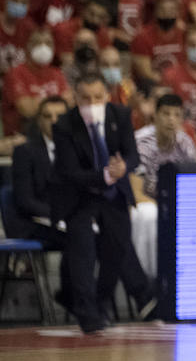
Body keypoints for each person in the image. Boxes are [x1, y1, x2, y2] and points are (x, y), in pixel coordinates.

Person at [53, 72, 158, 334]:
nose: (92, 103)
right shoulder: (65, 125)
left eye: (97, 97)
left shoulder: (119, 116)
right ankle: (87, 315)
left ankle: (101, 301)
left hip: (114, 194)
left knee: (117, 250)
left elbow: (133, 154)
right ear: (75, 98)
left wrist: (124, 167)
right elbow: (68, 171)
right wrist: (104, 175)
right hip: (80, 196)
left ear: (107, 96)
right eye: (85, 98)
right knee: (83, 253)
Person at [130, 93, 196, 274]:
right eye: (166, 114)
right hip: (145, 201)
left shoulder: (184, 142)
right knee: (149, 214)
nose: (171, 120)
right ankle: (148, 277)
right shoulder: (141, 142)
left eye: (177, 115)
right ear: (155, 115)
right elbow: (136, 192)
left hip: (174, 202)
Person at [11, 96, 69, 248]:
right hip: (34, 222)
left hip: (68, 220)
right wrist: (60, 215)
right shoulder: (24, 152)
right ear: (39, 121)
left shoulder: (76, 150)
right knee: (79, 236)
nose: (54, 121)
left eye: (60, 116)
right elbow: (25, 201)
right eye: (47, 116)